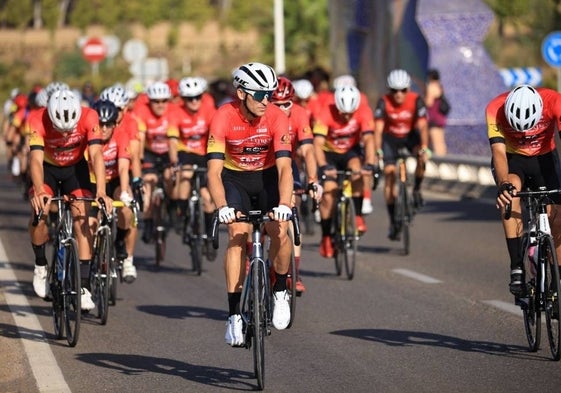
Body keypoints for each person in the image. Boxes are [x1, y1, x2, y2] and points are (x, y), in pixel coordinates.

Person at [207, 62, 294, 346]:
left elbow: (284, 169)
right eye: (260, 95)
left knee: (280, 228)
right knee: (237, 235)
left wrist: (284, 203)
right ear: (242, 93)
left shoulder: (277, 116)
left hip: (267, 177)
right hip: (235, 180)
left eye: (269, 94)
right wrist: (222, 207)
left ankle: (280, 289)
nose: (266, 101)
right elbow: (214, 172)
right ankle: (233, 315)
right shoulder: (222, 117)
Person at [27, 89, 112, 311]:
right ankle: (41, 264)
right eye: (59, 130)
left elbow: (96, 155)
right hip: (48, 169)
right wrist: (38, 190)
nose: (65, 136)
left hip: (76, 169)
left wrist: (101, 191)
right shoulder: (37, 118)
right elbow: (35, 160)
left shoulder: (89, 116)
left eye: (69, 131)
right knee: (40, 213)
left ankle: (83, 286)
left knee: (82, 220)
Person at [488, 84, 561, 296]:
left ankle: (556, 282)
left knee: (557, 219)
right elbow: (498, 153)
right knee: (510, 196)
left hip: (545, 159)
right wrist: (503, 185)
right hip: (514, 160)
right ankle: (516, 267)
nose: (525, 134)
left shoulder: (554, 102)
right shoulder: (494, 108)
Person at [271, 76, 322, 294]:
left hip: (286, 163)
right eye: (277, 105)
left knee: (290, 214)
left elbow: (308, 150)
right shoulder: (262, 115)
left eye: (286, 104)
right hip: (261, 163)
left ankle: (294, 272)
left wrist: (312, 180)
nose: (282, 109)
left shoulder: (300, 114)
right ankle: (248, 256)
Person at [313, 85, 376, 258]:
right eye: (343, 113)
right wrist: (324, 166)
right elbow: (317, 144)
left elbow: (369, 139)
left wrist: (370, 164)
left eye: (350, 113)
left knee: (357, 171)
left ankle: (357, 215)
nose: (347, 117)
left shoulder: (364, 111)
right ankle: (326, 236)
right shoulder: (326, 112)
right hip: (329, 153)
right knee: (328, 194)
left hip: (351, 151)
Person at [374, 69, 430, 241]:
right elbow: (378, 129)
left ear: (408, 89)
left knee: (421, 157)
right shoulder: (383, 102)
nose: (398, 94)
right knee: (390, 174)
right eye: (394, 90)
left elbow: (422, 126)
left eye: (403, 90)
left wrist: (425, 147)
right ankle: (393, 221)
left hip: (409, 137)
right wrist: (378, 151)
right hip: (390, 140)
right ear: (389, 90)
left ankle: (417, 189)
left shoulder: (416, 100)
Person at [168, 76, 217, 256]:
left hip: (205, 152)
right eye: (190, 98)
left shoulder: (209, 110)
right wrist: (174, 162)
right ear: (183, 98)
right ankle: (182, 214)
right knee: (186, 175)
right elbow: (173, 141)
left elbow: (217, 136)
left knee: (207, 197)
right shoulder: (175, 112)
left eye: (197, 97)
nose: (194, 101)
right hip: (185, 152)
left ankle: (210, 236)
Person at [99, 84, 142, 281]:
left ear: (125, 108)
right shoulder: (98, 124)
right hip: (96, 177)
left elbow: (133, 158)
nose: (114, 115)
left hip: (120, 174)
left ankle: (128, 259)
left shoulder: (130, 125)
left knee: (129, 210)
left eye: (118, 109)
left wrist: (135, 182)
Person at [133, 81, 179, 243]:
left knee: (169, 176)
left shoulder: (173, 112)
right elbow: (141, 138)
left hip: (167, 151)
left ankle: (173, 204)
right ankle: (147, 221)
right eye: (156, 101)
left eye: (163, 101)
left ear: (168, 101)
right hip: (150, 152)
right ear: (149, 101)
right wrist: (139, 158)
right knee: (149, 182)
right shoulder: (142, 111)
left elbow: (173, 140)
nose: (160, 105)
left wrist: (174, 161)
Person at [424, 69, 449, 156]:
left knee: (436, 144)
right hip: (441, 119)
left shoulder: (431, 87)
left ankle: (441, 162)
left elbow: (429, 103)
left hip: (433, 119)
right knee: (440, 141)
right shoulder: (440, 87)